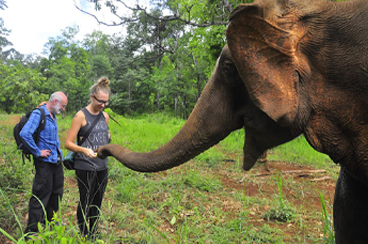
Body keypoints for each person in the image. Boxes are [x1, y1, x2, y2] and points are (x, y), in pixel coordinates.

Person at [64, 77, 111, 238]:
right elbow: (68, 143)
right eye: (100, 101)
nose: (103, 105)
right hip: (84, 166)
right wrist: (84, 150)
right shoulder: (80, 116)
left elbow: (105, 136)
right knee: (86, 200)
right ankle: (84, 233)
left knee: (97, 200)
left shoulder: (105, 116)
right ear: (92, 97)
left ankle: (94, 231)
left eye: (106, 102)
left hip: (102, 166)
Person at [20, 92, 68, 235]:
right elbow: (25, 133)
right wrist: (37, 151)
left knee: (56, 193)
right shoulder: (39, 114)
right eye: (63, 106)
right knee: (40, 195)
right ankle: (32, 232)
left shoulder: (53, 115)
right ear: (54, 101)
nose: (64, 109)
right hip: (45, 164)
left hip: (56, 162)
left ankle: (51, 222)